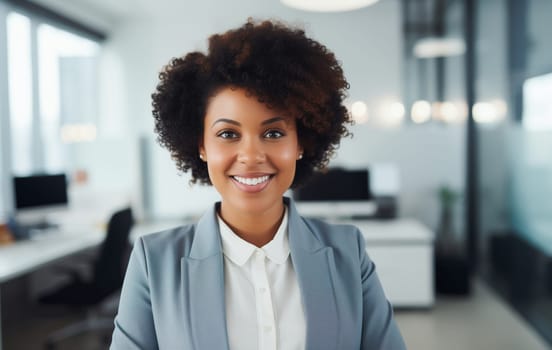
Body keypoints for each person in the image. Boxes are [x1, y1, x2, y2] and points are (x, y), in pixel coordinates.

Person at [110, 19, 406, 350]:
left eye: (274, 133)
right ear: (202, 146)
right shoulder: (154, 261)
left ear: (301, 143)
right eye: (228, 134)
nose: (251, 155)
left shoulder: (348, 251)